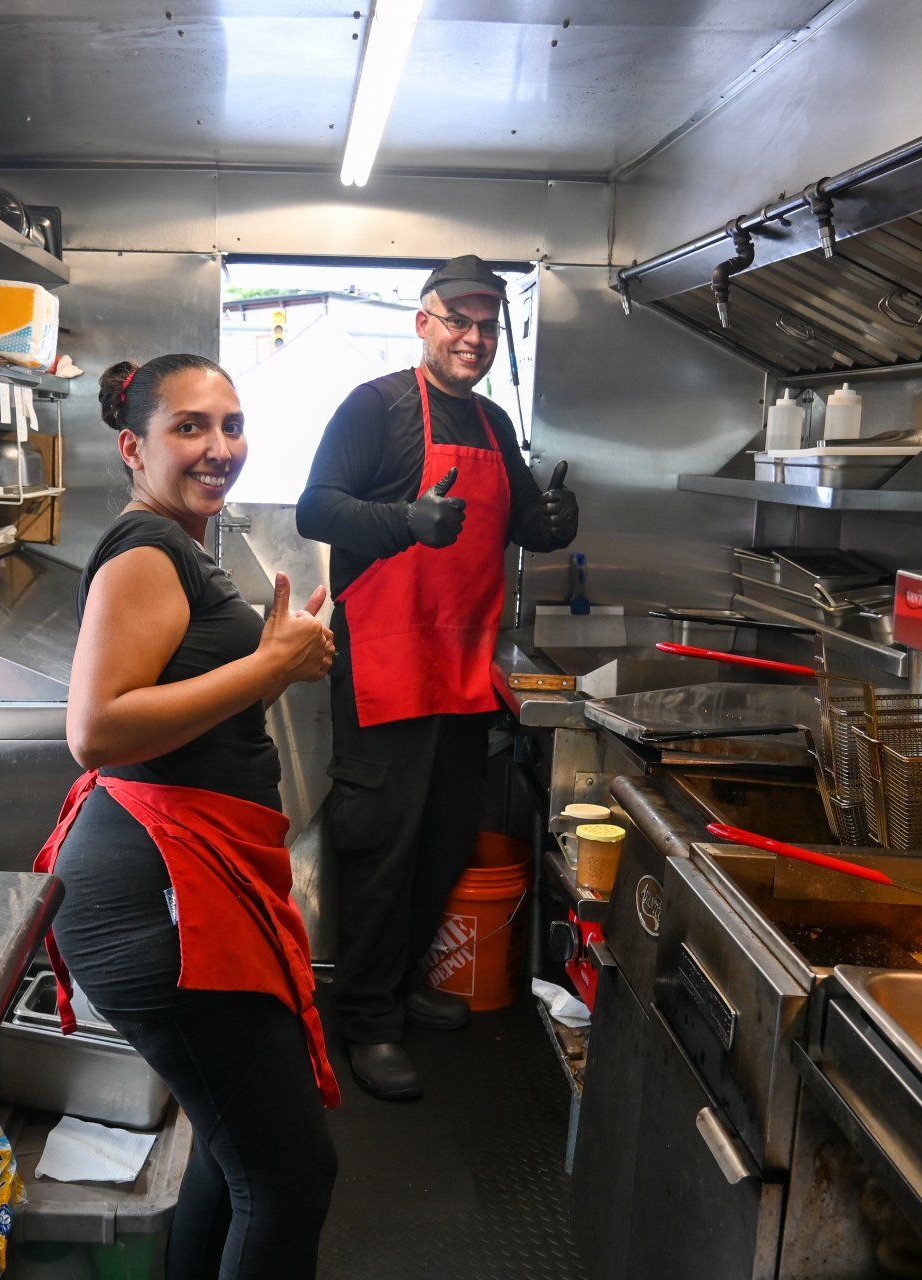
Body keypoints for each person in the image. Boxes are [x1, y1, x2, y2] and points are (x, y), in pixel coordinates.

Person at [35, 354, 341, 1280]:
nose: (221, 448)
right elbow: (95, 730)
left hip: (183, 876)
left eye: (233, 425)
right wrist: (270, 666)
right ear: (133, 447)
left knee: (231, 1144)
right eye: (191, 428)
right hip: (156, 896)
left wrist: (276, 653)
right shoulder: (146, 552)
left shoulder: (179, 543)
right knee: (289, 1172)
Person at [295, 255, 581, 1101]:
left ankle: (402, 985)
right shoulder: (375, 407)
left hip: (462, 670)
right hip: (384, 667)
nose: (473, 336)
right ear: (423, 322)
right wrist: (403, 520)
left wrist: (558, 522)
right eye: (458, 320)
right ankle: (367, 1020)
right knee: (382, 850)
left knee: (442, 843)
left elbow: (528, 522)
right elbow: (318, 507)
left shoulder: (493, 423)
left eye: (487, 324)